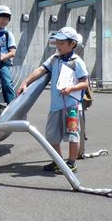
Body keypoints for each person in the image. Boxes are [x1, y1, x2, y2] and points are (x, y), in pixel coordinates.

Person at [16, 27, 89, 173]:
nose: (58, 46)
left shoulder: (77, 62)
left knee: (73, 134)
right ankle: (58, 161)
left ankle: (71, 163)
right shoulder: (54, 59)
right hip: (55, 106)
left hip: (72, 105)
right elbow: (40, 70)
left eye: (62, 43)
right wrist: (25, 82)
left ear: (72, 44)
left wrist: (71, 89)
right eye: (57, 42)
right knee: (51, 135)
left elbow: (85, 83)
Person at [0, 5, 17, 104]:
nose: (4, 21)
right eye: (2, 18)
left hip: (3, 63)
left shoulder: (8, 34)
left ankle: (12, 106)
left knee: (7, 83)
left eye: (7, 19)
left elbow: (12, 52)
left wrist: (0, 58)